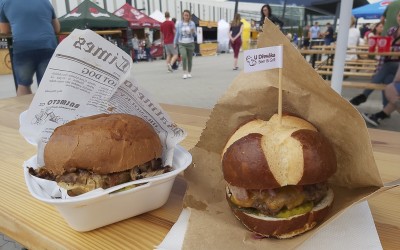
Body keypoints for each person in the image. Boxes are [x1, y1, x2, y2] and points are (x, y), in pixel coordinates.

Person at [0, 0, 60, 96]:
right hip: (47, 45)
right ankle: (48, 109)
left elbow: (4, 30)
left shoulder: (4, 2)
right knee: (48, 85)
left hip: (23, 46)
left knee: (23, 85)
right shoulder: (45, 1)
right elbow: (57, 28)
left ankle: (25, 110)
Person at [350, 11, 400, 106]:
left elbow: (390, 47)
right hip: (387, 62)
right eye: (399, 15)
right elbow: (385, 46)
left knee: (387, 68)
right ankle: (384, 110)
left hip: (396, 66)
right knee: (386, 80)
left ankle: (364, 95)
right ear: (397, 17)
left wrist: (392, 49)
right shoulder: (392, 30)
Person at [174, 9, 196, 79]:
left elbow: (195, 35)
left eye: (187, 15)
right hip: (182, 43)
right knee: (183, 56)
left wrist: (193, 32)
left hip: (190, 43)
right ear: (183, 16)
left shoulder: (192, 23)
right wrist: (175, 43)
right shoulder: (179, 24)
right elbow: (177, 34)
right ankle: (184, 72)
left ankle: (189, 72)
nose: (186, 16)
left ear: (189, 16)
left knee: (190, 59)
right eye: (185, 15)